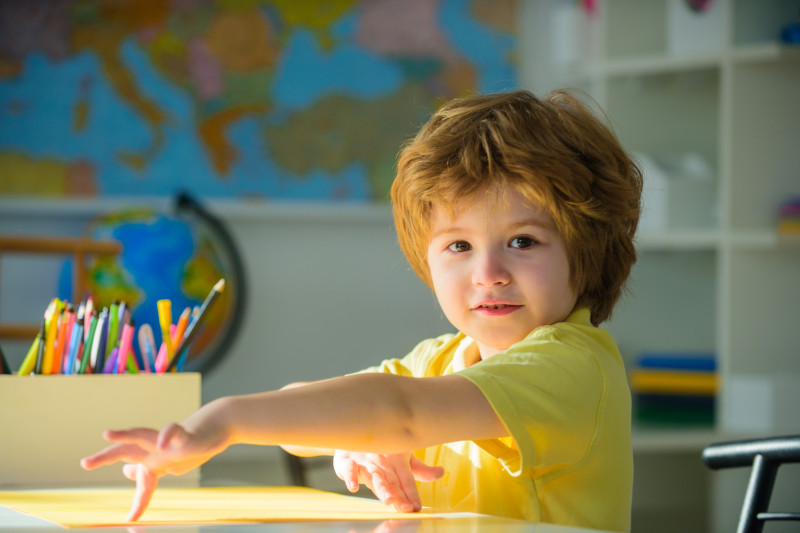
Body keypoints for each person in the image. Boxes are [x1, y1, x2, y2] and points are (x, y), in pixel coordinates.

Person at [81, 89, 642, 532]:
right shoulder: (442, 359)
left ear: (585, 250)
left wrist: (223, 420)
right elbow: (317, 417)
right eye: (458, 246)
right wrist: (350, 436)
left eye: (523, 241)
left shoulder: (574, 365)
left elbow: (399, 411)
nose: (487, 272)